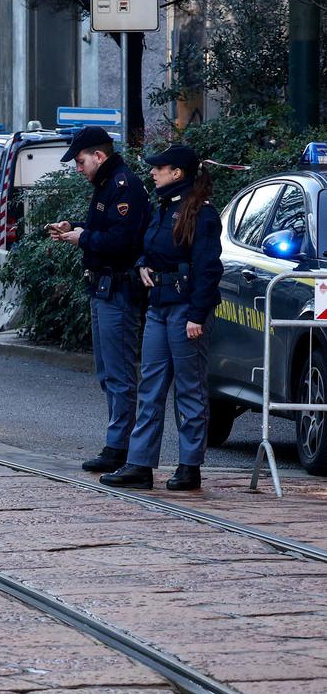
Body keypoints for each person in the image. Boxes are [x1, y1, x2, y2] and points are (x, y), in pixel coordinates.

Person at [100, 144, 222, 491]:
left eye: (159, 167)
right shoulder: (164, 208)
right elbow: (148, 247)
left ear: (177, 173)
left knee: (189, 388)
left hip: (186, 310)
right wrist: (142, 266)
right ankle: (139, 464)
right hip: (159, 306)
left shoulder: (201, 213)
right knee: (151, 386)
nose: (153, 172)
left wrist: (197, 315)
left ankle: (189, 465)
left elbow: (209, 269)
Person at [44, 125, 150, 474]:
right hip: (103, 288)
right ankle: (117, 444)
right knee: (109, 372)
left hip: (117, 288)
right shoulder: (107, 183)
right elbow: (102, 229)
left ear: (99, 156)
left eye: (80, 161)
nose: (78, 169)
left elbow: (121, 241)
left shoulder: (123, 186)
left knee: (118, 373)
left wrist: (81, 237)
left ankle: (120, 447)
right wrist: (72, 226)